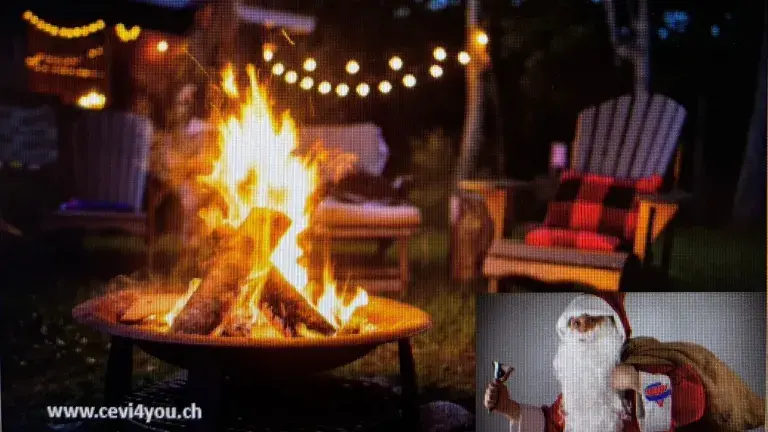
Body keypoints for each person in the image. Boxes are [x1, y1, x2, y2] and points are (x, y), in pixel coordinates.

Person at [484, 293, 708, 432]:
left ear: (612, 329)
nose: (581, 328)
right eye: (575, 323)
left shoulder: (643, 367)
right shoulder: (574, 394)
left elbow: (693, 404)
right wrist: (510, 409)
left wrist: (638, 381)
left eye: (591, 319)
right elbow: (552, 424)